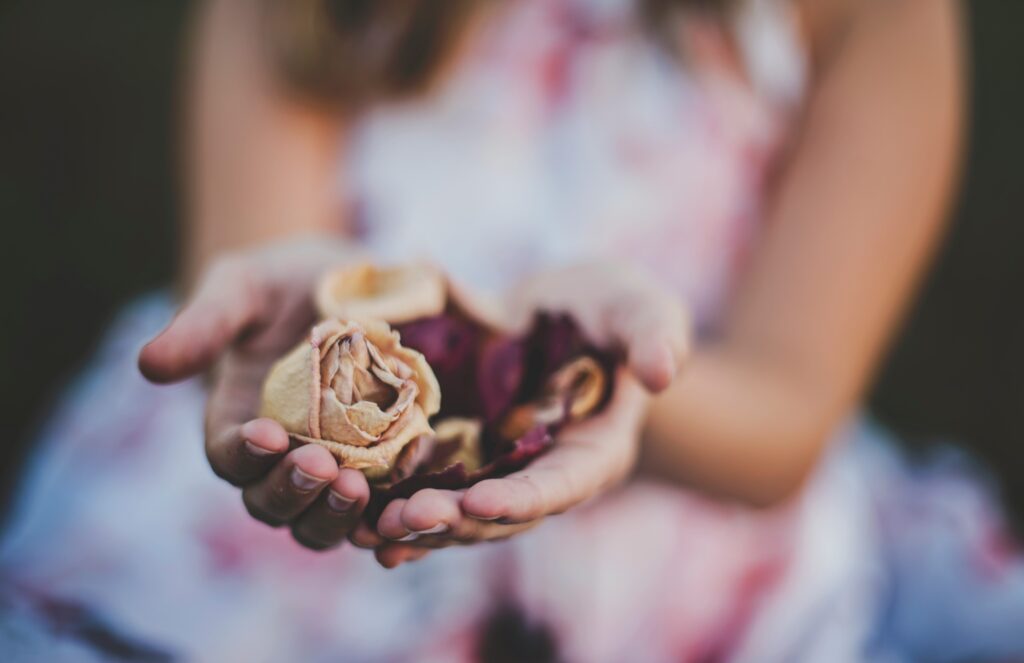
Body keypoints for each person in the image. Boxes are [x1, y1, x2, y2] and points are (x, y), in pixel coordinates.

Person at [6, 0, 1019, 661]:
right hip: (286, 602)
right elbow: (249, 272)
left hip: (677, 564)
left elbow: (787, 412)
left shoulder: (865, 19)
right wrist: (288, 336)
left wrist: (607, 385)